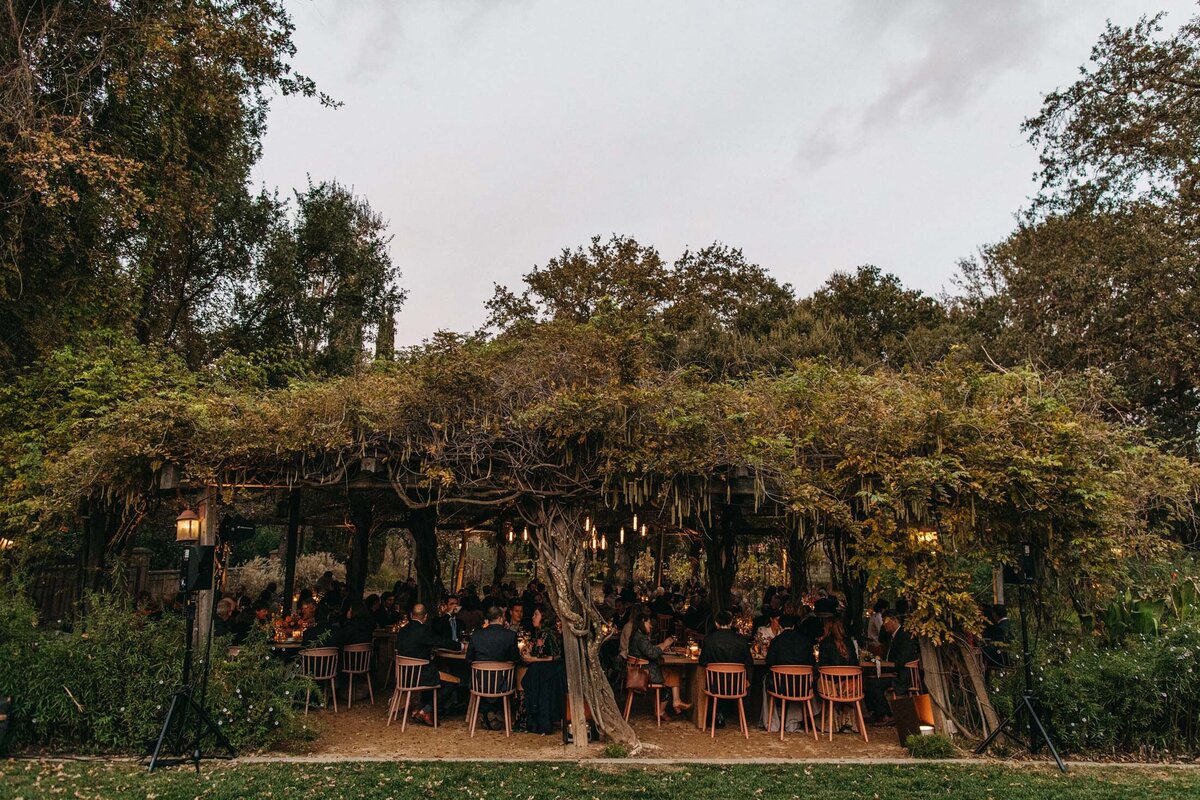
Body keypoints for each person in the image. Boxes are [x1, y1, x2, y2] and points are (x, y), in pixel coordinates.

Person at [393, 603, 459, 726]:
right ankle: (425, 711)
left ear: (411, 615)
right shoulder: (424, 630)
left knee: (432, 676)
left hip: (403, 676)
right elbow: (441, 641)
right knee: (452, 682)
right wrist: (460, 646)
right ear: (425, 617)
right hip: (420, 676)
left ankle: (419, 709)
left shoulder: (402, 631)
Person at [626, 608, 691, 718]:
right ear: (643, 621)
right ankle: (670, 705)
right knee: (672, 672)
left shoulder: (637, 636)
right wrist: (665, 644)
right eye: (649, 623)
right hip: (644, 673)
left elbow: (649, 649)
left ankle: (672, 703)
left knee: (672, 671)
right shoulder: (640, 638)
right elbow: (652, 654)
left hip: (642, 669)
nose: (650, 626)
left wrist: (662, 645)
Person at [467, 606, 523, 731]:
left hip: (480, 683)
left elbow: (469, 658)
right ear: (500, 618)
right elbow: (516, 659)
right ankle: (496, 714)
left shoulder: (476, 634)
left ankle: (487, 713)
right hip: (503, 684)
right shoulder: (510, 635)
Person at [699, 610, 753, 728]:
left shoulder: (709, 639)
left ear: (716, 623)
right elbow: (749, 662)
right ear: (731, 623)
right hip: (737, 685)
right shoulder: (741, 640)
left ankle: (714, 714)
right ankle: (722, 713)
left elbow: (702, 661)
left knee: (708, 681)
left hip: (715, 685)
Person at [864, 613, 920, 724]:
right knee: (868, 679)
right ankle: (877, 712)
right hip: (894, 671)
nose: (883, 625)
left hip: (902, 675)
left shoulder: (904, 635)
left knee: (872, 683)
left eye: (885, 621)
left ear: (894, 620)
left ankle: (886, 714)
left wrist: (888, 668)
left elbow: (900, 661)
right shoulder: (893, 636)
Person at [522, 605, 567, 734]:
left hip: (551, 673)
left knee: (529, 677)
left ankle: (532, 718)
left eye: (536, 615)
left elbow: (553, 657)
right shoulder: (543, 633)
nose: (533, 617)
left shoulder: (546, 633)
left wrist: (532, 660)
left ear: (544, 617)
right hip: (551, 671)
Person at [982, 604, 1011, 671]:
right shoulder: (1009, 624)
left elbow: (996, 645)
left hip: (1001, 657)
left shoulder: (1000, 628)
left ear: (995, 614)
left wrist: (983, 649)